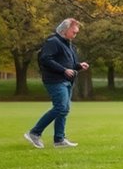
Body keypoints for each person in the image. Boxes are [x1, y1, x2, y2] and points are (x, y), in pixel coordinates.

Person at [24, 18, 90, 149]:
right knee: (60, 107)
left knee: (64, 109)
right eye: (74, 32)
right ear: (64, 30)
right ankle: (34, 133)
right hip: (55, 80)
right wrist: (64, 70)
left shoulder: (67, 44)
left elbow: (68, 64)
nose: (75, 35)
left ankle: (59, 140)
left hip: (66, 80)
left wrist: (78, 66)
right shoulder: (53, 42)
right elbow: (45, 59)